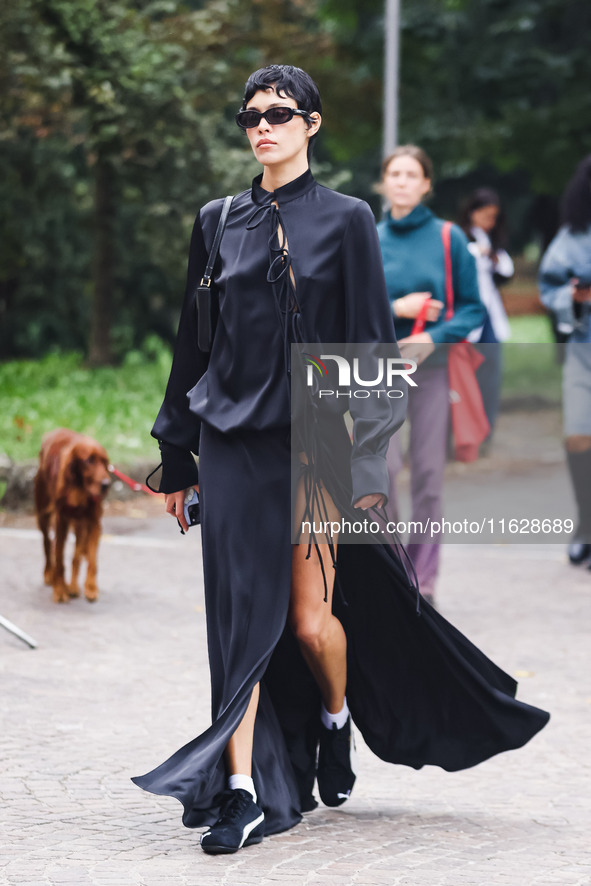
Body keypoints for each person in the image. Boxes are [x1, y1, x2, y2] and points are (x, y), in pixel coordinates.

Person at [132, 68, 549, 855]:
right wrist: (176, 454)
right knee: (237, 625)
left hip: (317, 435)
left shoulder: (348, 220)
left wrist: (363, 466)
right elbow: (195, 342)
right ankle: (244, 793)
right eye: (250, 116)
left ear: (311, 124)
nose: (263, 127)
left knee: (310, 622)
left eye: (279, 114)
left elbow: (366, 344)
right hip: (230, 440)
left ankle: (332, 719)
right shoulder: (217, 220)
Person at [376, 146, 486, 606]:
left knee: (426, 475)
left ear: (426, 185)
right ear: (383, 183)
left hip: (433, 371)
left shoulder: (448, 238)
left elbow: (472, 308)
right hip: (380, 370)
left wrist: (434, 336)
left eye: (411, 174)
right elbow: (348, 310)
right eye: (394, 174)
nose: (401, 181)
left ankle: (424, 581)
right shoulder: (368, 238)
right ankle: (392, 574)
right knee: (382, 473)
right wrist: (396, 309)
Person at [538, 154, 591, 569]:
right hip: (583, 349)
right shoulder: (573, 237)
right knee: (578, 435)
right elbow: (549, 286)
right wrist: (571, 298)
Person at [459, 188, 514, 437]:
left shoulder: (493, 241)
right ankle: (464, 433)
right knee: (464, 379)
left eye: (493, 217)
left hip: (489, 317)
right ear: (472, 212)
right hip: (466, 319)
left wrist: (491, 256)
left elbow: (506, 270)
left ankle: (485, 431)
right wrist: (475, 251)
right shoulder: (460, 237)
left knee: (491, 377)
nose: (488, 221)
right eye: (484, 215)